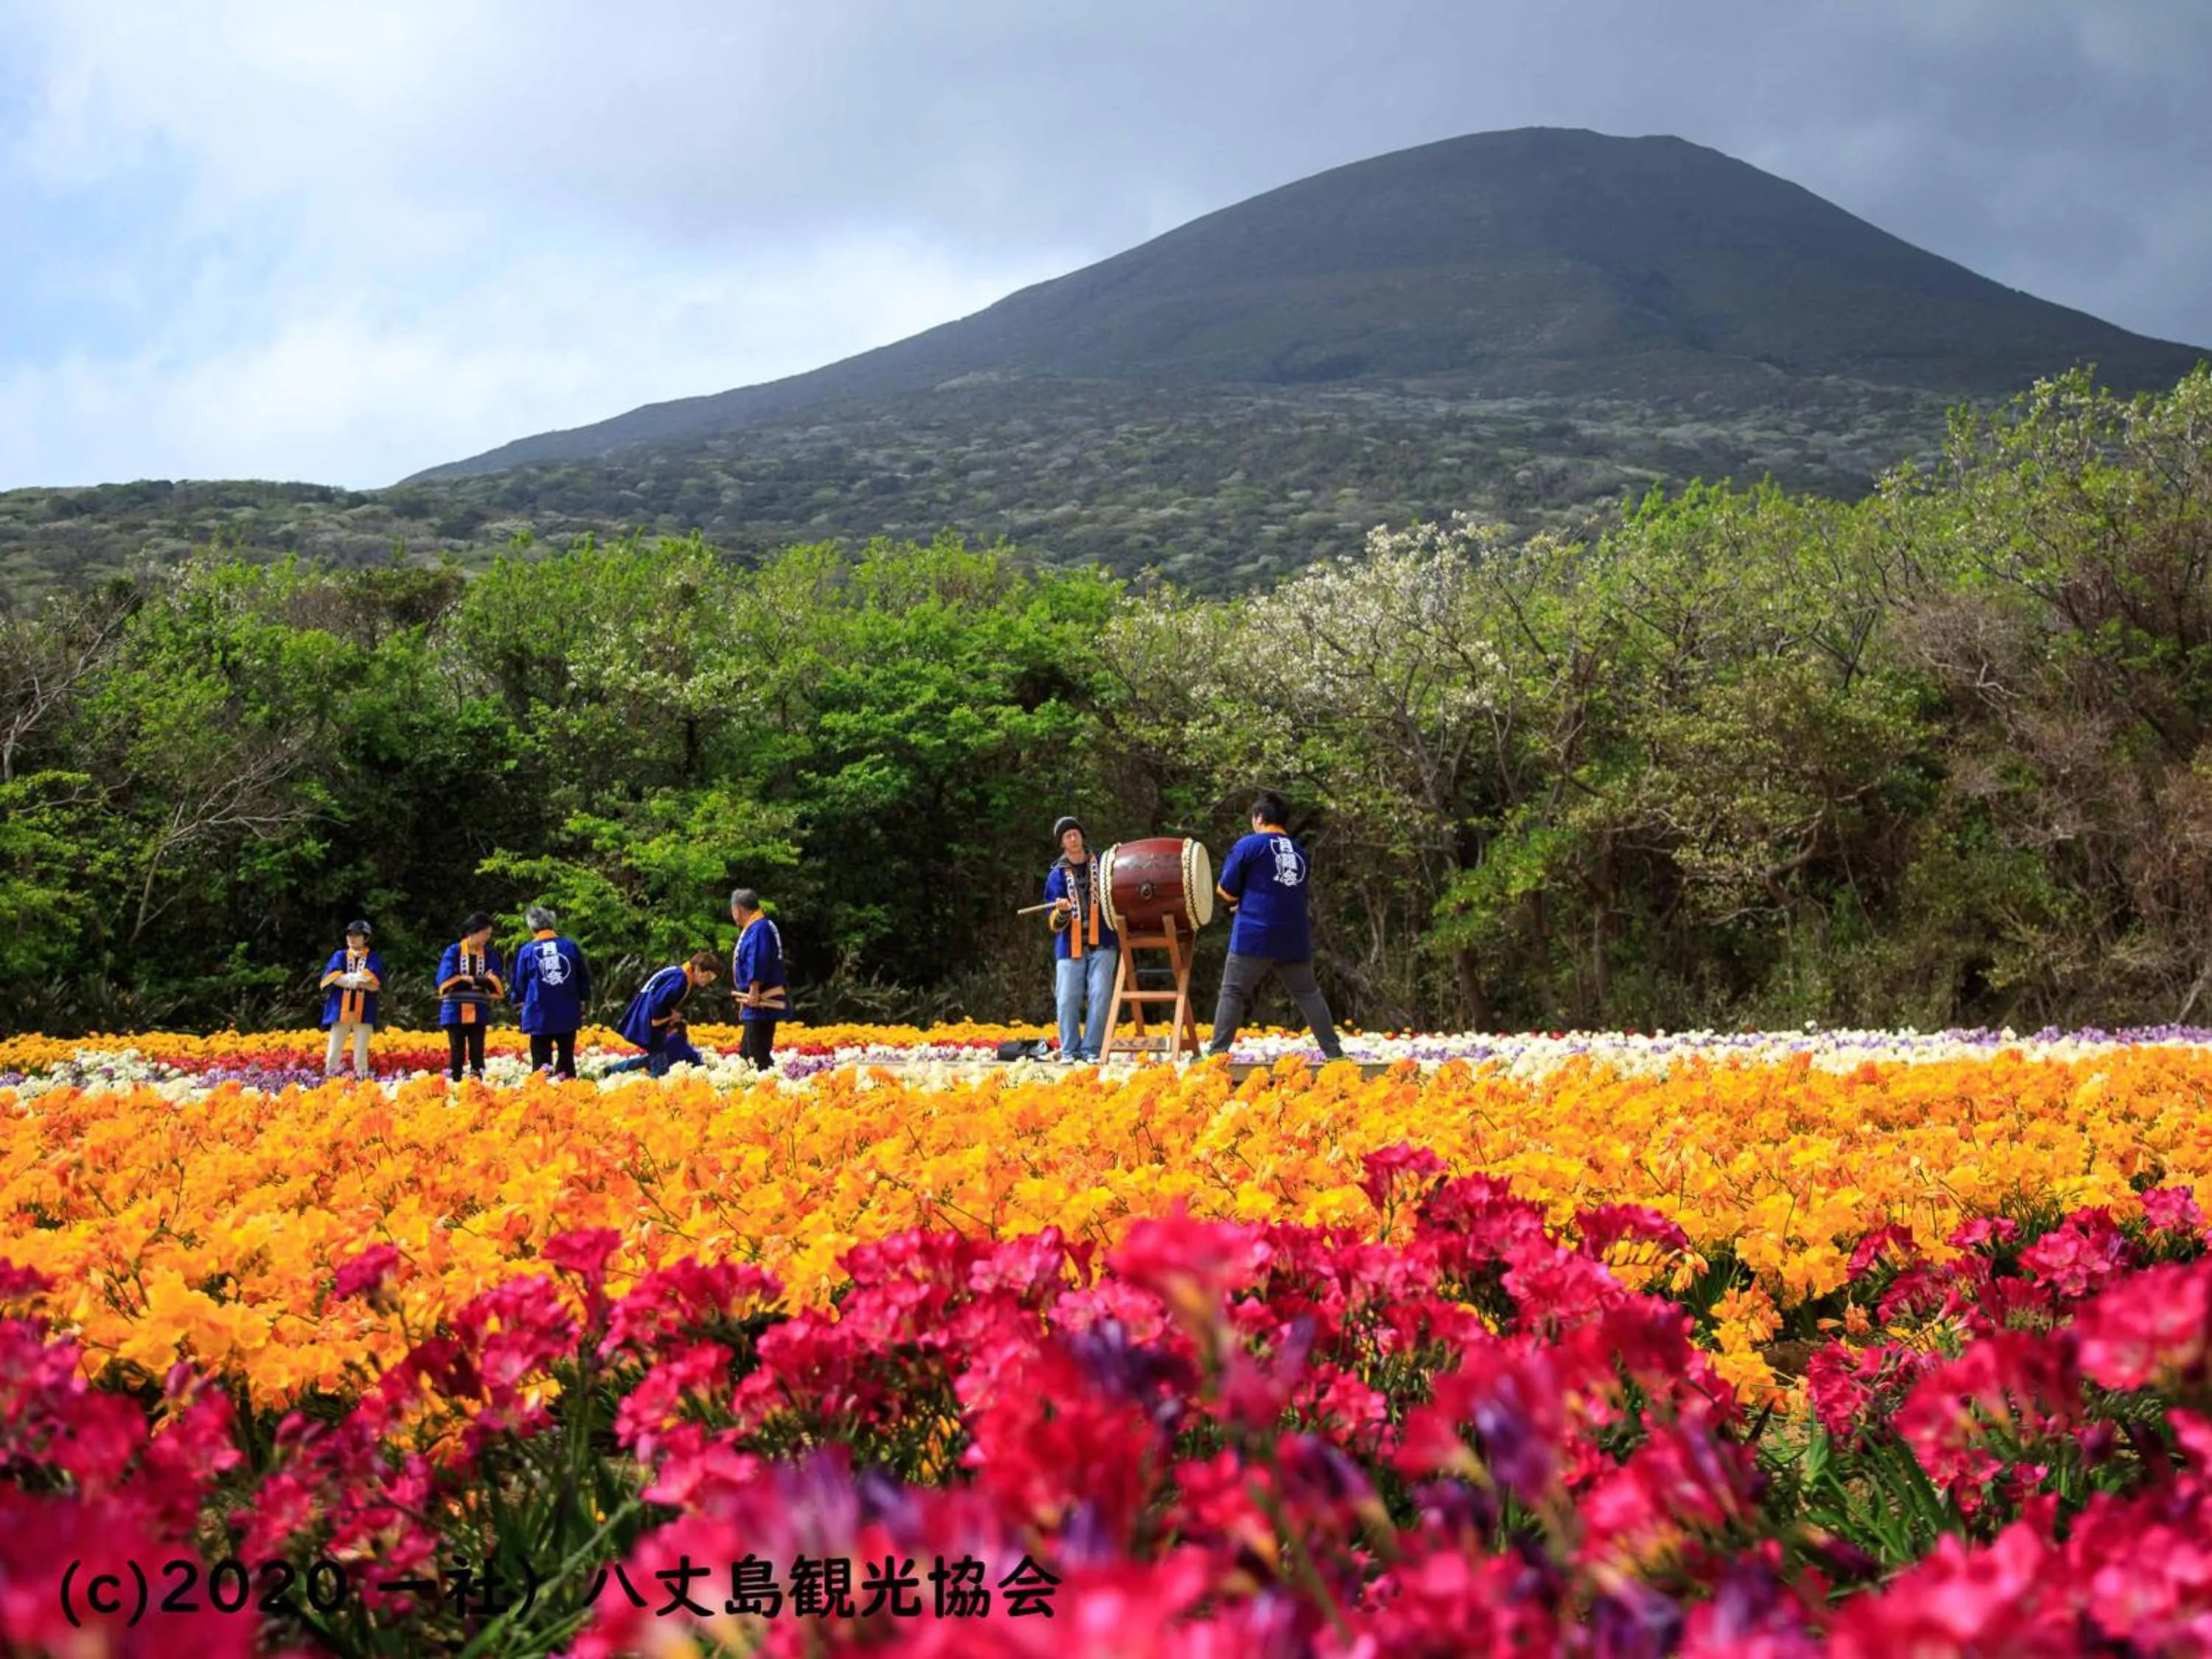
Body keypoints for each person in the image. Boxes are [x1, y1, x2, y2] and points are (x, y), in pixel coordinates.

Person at [1204, 790, 1344, 1062]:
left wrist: (1238, 899)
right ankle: (1335, 1053)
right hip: (1293, 934)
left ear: (1259, 818)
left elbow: (1226, 890)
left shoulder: (1249, 845)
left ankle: (1217, 1055)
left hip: (1254, 933)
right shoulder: (1301, 853)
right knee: (1308, 994)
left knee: (1233, 991)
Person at [1044, 815, 1117, 1062]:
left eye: (1076, 833)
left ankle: (1092, 1050)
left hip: (1103, 941)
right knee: (1066, 998)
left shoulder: (1104, 865)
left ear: (1082, 836)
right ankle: (1070, 1050)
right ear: (1062, 843)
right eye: (1067, 836)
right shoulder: (1056, 875)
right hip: (1069, 946)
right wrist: (1062, 909)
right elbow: (1053, 919)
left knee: (1100, 995)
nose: (1073, 839)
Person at [509, 905, 591, 1078]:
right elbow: (583, 977)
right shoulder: (569, 946)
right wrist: (583, 998)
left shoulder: (527, 951)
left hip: (539, 1012)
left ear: (532, 927)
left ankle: (543, 1097)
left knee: (541, 1062)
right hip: (567, 1010)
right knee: (566, 1059)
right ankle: (570, 1094)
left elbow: (519, 981)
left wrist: (517, 999)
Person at [609, 950, 719, 1077]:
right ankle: (648, 1091)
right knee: (660, 1068)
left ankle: (614, 1070)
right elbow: (657, 1004)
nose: (709, 981)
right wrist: (672, 1016)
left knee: (656, 1060)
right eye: (709, 976)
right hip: (651, 1022)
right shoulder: (680, 981)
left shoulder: (678, 973)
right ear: (698, 969)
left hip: (646, 1016)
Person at [436, 911, 506, 1082]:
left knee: (477, 1053)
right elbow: (447, 980)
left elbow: (495, 982)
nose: (488, 938)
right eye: (485, 933)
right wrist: (480, 981)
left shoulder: (490, 954)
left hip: (479, 1010)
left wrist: (466, 979)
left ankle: (478, 1088)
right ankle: (455, 1084)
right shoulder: (454, 951)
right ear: (474, 931)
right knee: (457, 1053)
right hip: (454, 1011)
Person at [729, 888, 787, 1073]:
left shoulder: (759, 928)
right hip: (754, 1001)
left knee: (756, 1052)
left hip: (761, 1000)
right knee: (748, 1051)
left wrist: (754, 989)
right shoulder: (758, 926)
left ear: (738, 909)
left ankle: (766, 1087)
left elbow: (758, 958)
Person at [317, 920, 384, 1079]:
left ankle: (362, 1080)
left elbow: (374, 983)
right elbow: (333, 977)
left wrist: (348, 979)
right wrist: (357, 982)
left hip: (364, 1011)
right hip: (341, 1010)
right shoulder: (340, 955)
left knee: (361, 1053)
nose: (352, 938)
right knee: (334, 1049)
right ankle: (330, 1078)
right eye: (350, 935)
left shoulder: (373, 957)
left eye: (357, 935)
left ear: (365, 938)